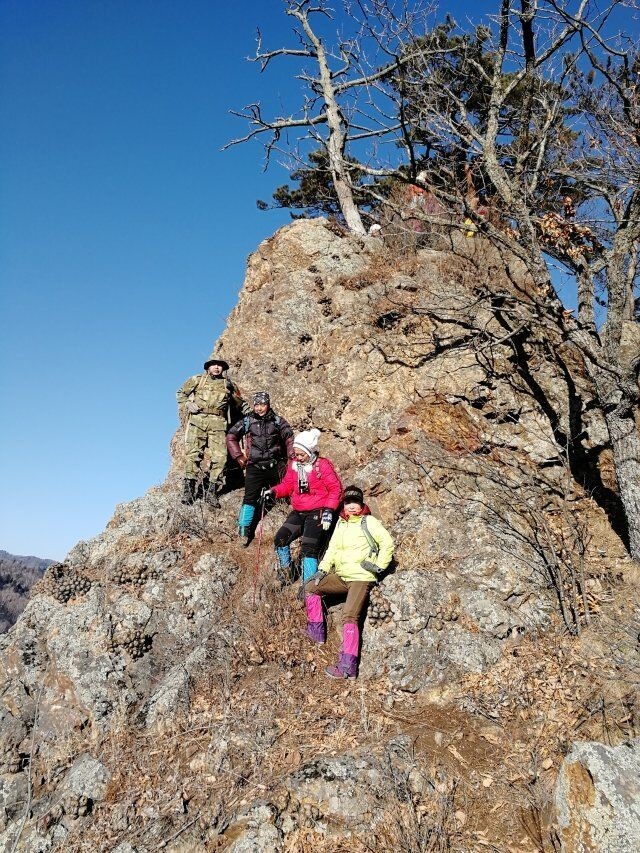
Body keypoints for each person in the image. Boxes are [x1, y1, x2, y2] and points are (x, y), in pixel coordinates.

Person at [304, 485, 394, 679]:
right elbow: (333, 549)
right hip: (342, 576)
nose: (351, 506)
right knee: (310, 587)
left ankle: (347, 667)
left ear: (361, 504)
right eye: (348, 503)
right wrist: (322, 570)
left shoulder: (368, 521)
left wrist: (378, 566)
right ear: (343, 505)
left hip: (361, 577)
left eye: (355, 502)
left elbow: (387, 543)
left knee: (349, 616)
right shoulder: (341, 523)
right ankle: (316, 632)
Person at [263, 428, 342, 584]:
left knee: (308, 549)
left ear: (310, 452)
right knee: (280, 539)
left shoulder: (323, 465)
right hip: (299, 510)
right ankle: (287, 573)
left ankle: (309, 586)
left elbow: (336, 489)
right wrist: (273, 492)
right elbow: (287, 485)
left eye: (301, 454)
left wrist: (328, 510)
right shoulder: (293, 465)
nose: (298, 457)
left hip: (319, 510)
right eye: (296, 453)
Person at [176, 355, 246, 507]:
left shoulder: (228, 385)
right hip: (197, 421)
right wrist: (188, 404)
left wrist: (255, 415)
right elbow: (180, 393)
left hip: (218, 424)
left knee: (220, 459)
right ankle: (188, 491)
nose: (216, 367)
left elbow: (241, 404)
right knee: (193, 456)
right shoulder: (197, 380)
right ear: (208, 367)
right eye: (213, 364)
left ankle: (212, 491)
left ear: (223, 368)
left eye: (220, 365)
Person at [226, 391, 294, 546]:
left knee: (287, 492)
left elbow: (289, 437)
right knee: (249, 499)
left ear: (268, 404)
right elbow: (231, 436)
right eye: (256, 405)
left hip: (276, 465)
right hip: (254, 467)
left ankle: (292, 523)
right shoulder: (247, 421)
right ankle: (243, 532)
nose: (259, 408)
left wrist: (291, 458)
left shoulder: (278, 421)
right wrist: (239, 456)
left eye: (262, 405)